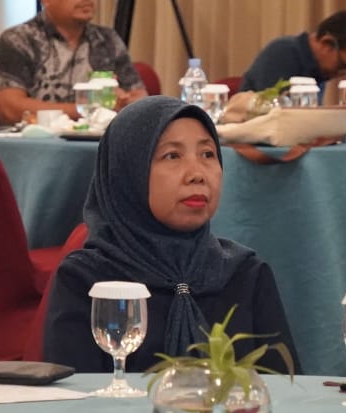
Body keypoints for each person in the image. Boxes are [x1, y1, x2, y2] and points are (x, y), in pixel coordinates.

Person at [43, 96, 300, 373]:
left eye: (207, 154)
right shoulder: (87, 280)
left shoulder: (244, 273)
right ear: (129, 173)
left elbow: (286, 389)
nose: (197, 174)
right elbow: (73, 395)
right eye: (172, 156)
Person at [0, 0, 146, 125]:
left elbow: (139, 96)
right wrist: (88, 109)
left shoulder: (107, 40)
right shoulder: (19, 40)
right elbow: (9, 109)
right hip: (39, 140)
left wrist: (127, 101)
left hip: (101, 140)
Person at [240, 9, 346, 92]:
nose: (343, 74)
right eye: (343, 65)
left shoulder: (318, 68)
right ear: (326, 43)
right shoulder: (282, 53)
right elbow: (275, 115)